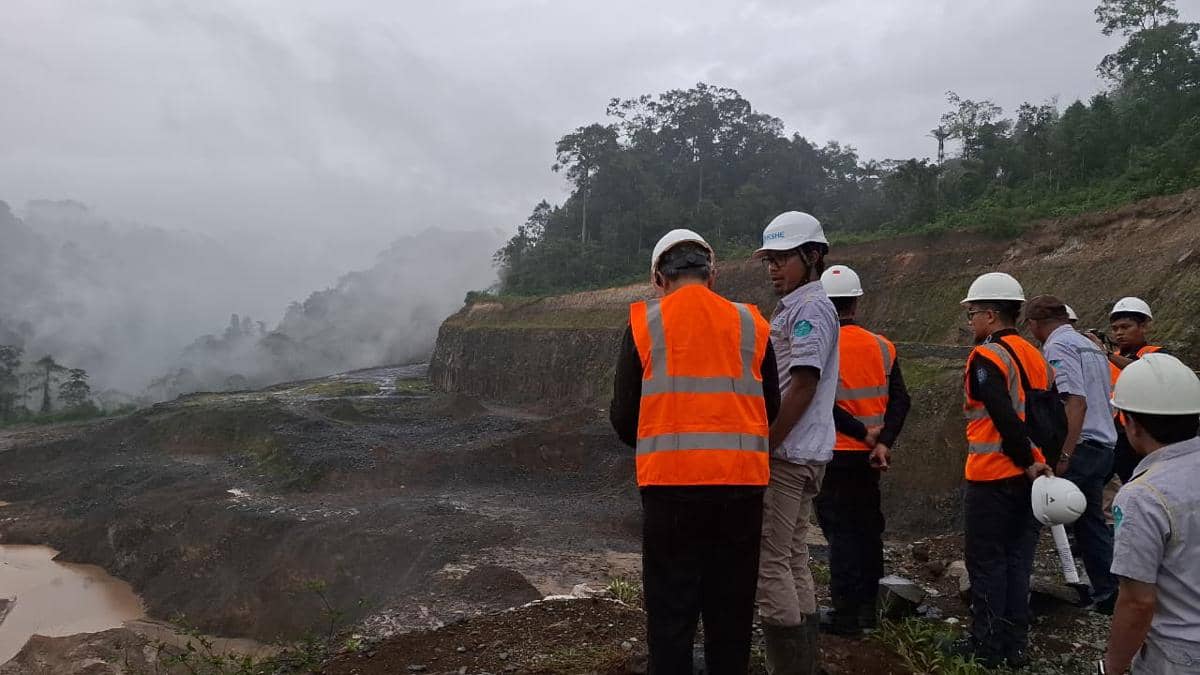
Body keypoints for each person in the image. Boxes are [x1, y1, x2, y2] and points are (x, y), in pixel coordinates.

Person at [609, 229, 780, 675]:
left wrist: (663, 444)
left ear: (657, 278)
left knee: (670, 613)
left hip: (670, 491)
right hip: (742, 489)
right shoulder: (751, 322)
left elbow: (625, 415)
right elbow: (772, 407)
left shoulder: (645, 323)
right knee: (732, 610)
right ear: (712, 273)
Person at [752, 211, 839, 674]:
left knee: (771, 564)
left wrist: (766, 444)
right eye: (770, 259)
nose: (773, 268)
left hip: (788, 454)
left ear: (812, 256)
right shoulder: (803, 307)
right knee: (794, 557)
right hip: (804, 451)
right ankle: (805, 660)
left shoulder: (809, 309)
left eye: (783, 258)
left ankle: (788, 665)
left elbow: (803, 383)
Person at [954, 272, 1054, 668]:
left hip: (994, 475)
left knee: (987, 561)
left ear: (992, 315)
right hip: (1031, 477)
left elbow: (1002, 413)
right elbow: (1052, 416)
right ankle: (1014, 644)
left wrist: (1026, 460)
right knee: (1017, 560)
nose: (971, 322)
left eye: (973, 313)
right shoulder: (1036, 355)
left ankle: (986, 646)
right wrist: (1040, 462)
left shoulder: (987, 355)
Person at [814, 264, 911, 637]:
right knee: (868, 530)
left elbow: (820, 402)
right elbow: (902, 400)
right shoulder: (882, 346)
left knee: (840, 533)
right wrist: (883, 440)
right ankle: (870, 610)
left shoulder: (823, 347)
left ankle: (845, 614)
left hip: (836, 452)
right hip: (871, 458)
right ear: (856, 301)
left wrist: (862, 433)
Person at [1099, 353, 1200, 675]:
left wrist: (1112, 668)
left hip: (1179, 654)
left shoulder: (1142, 496)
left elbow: (1137, 601)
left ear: (1130, 423)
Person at [1025, 295, 1119, 613]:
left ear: (1035, 324)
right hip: (1104, 443)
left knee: (1035, 510)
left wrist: (1064, 453)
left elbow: (1074, 401)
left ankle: (1014, 588)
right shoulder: (1090, 345)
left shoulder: (1057, 347)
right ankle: (1108, 592)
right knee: (1091, 520)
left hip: (1082, 445)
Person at [1091, 297, 1162, 485]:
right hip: (1115, 433)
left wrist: (1104, 353)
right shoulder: (1111, 358)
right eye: (1115, 329)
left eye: (1125, 327)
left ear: (1144, 326)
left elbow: (1143, 369)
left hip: (1146, 433)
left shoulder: (1157, 354)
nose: (1119, 333)